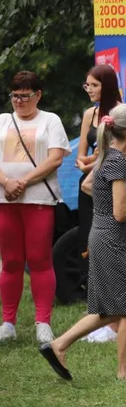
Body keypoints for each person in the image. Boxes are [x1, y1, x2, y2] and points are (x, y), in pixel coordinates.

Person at [41, 103, 126, 381]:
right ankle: (125, 371)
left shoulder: (108, 158)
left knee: (109, 310)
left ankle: (58, 345)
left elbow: (89, 185)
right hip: (110, 241)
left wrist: (121, 191)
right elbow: (120, 213)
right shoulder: (118, 161)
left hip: (102, 238)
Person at [0, 71, 72, 345]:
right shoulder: (3, 121)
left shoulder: (50, 120)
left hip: (39, 199)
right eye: (14, 96)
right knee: (11, 261)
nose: (19, 101)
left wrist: (22, 182)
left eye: (25, 96)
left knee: (40, 260)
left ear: (38, 95)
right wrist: (6, 182)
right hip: (6, 200)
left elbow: (55, 160)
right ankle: (8, 322)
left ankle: (43, 322)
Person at [75, 64, 124, 343]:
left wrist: (94, 161)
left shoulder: (121, 113)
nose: (90, 90)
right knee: (92, 251)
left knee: (110, 250)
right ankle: (97, 318)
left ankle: (114, 321)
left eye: (94, 85)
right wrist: (85, 162)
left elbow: (115, 151)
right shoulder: (88, 115)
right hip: (89, 185)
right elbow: (83, 154)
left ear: (106, 85)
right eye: (87, 86)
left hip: (111, 185)